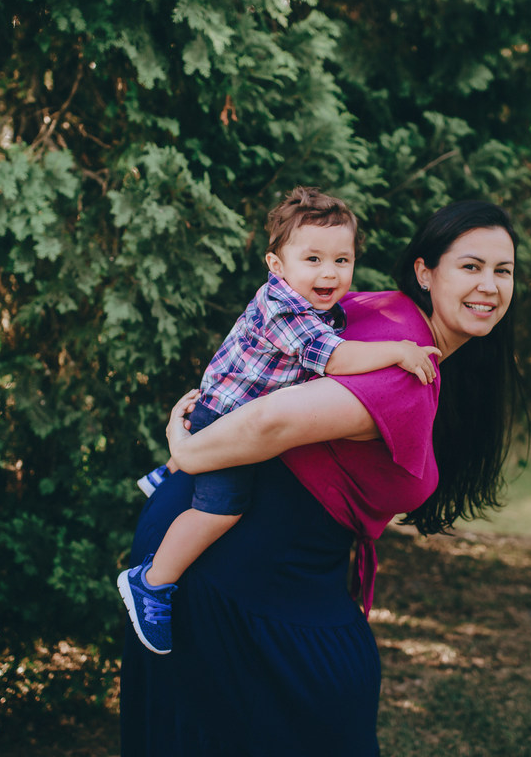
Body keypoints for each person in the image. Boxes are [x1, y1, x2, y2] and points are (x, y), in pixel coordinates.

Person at [119, 199, 529, 756]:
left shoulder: (379, 312)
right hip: (233, 573)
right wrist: (184, 458)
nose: (489, 285)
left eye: (501, 271)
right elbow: (270, 418)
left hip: (246, 557)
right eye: (471, 266)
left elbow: (264, 348)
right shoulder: (399, 368)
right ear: (425, 273)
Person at [117, 187, 441, 655]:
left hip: (227, 404)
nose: (329, 272)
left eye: (342, 260)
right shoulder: (287, 309)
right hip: (224, 419)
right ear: (276, 265)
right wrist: (398, 351)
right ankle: (152, 581)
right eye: (312, 259)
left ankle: (165, 476)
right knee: (222, 509)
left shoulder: (310, 304)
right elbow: (333, 357)